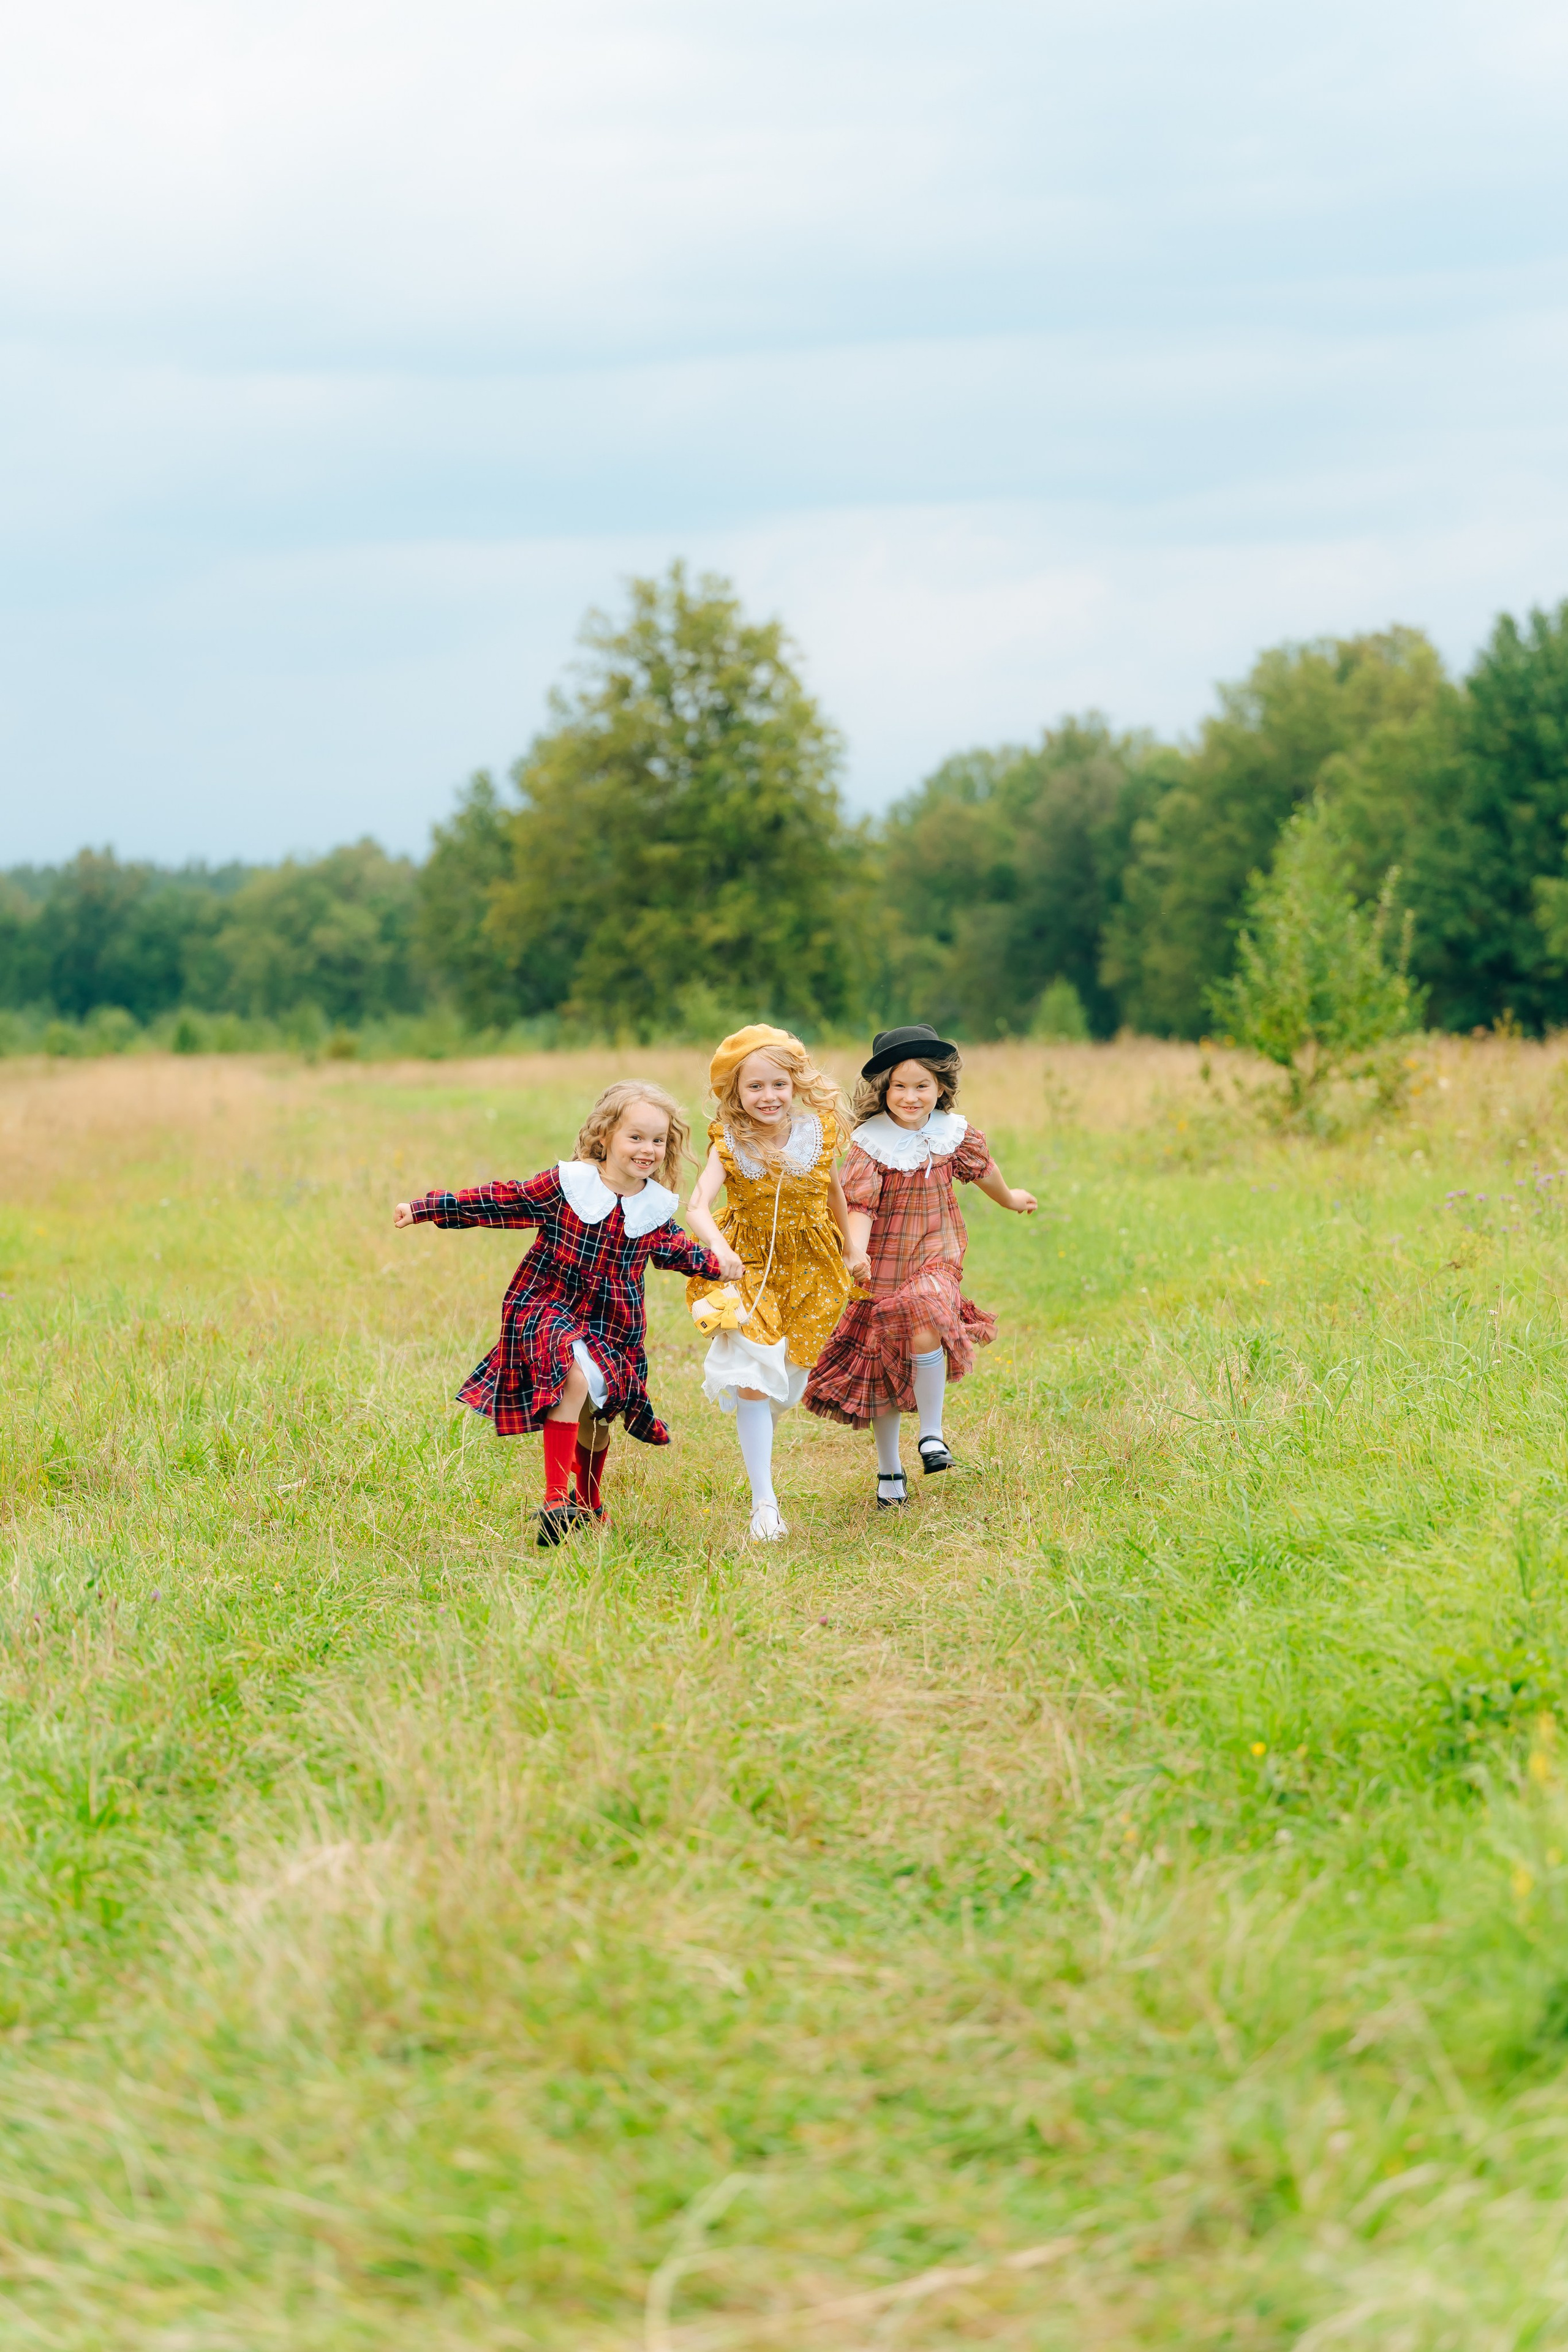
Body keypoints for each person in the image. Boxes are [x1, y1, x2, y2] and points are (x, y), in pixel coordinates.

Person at [393, 1082, 721, 1547]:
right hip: (545, 1305)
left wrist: (723, 1266)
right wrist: (426, 1208)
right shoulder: (569, 1186)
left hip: (613, 1326)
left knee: (600, 1415)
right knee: (574, 1379)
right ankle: (554, 1500)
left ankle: (588, 1502)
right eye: (635, 1137)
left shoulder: (654, 1210)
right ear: (604, 1136)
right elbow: (501, 1200)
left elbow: (682, 1252)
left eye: (658, 1140)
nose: (647, 1149)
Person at [804, 1025, 1036, 1506]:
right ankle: (890, 1471)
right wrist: (857, 1252)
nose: (911, 1097)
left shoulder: (953, 1133)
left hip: (936, 1253)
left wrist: (1011, 1199)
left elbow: (983, 1170)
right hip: (883, 1263)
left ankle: (932, 1435)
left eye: (922, 1086)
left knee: (928, 1310)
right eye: (900, 1086)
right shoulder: (870, 1143)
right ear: (883, 1090)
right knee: (883, 1367)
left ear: (941, 1088)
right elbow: (859, 1206)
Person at [684, 1025, 869, 1541]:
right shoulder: (730, 1142)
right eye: (755, 1088)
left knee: (786, 1382)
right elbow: (697, 1205)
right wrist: (719, 1250)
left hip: (812, 1265)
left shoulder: (819, 1132)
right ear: (737, 1095)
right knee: (752, 1376)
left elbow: (834, 1191)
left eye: (778, 1085)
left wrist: (852, 1249)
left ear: (795, 1084)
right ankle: (764, 1504)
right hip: (748, 1268)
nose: (768, 1097)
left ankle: (762, 1431)